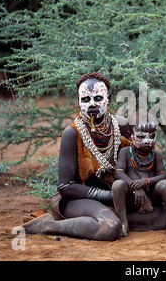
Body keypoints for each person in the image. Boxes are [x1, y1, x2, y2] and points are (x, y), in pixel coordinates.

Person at [22, 72, 131, 241]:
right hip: (77, 198)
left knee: (159, 217)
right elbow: (65, 187)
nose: (92, 104)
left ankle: (97, 217)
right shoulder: (72, 133)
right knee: (111, 227)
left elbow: (133, 166)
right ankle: (48, 225)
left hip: (114, 195)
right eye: (86, 100)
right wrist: (111, 196)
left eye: (98, 98)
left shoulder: (121, 126)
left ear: (108, 99)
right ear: (78, 102)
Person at [113, 112, 166, 237]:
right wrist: (136, 187)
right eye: (140, 136)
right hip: (131, 198)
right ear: (130, 136)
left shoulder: (156, 154)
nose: (147, 141)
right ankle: (123, 223)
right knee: (118, 185)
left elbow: (162, 175)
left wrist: (145, 182)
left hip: (151, 196)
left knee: (165, 185)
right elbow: (118, 173)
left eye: (151, 136)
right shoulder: (125, 152)